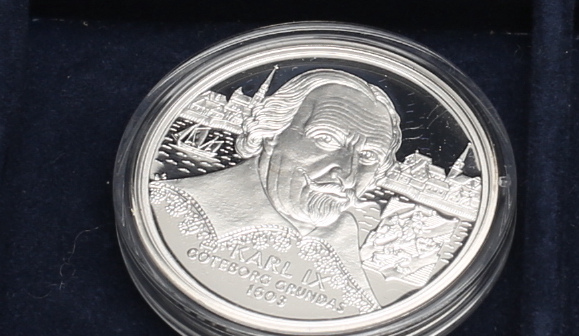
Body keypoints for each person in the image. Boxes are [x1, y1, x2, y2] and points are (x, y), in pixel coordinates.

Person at [153, 69, 403, 316]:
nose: (347, 176)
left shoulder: (349, 244)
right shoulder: (164, 206)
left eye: (369, 156)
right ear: (272, 134)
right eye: (326, 139)